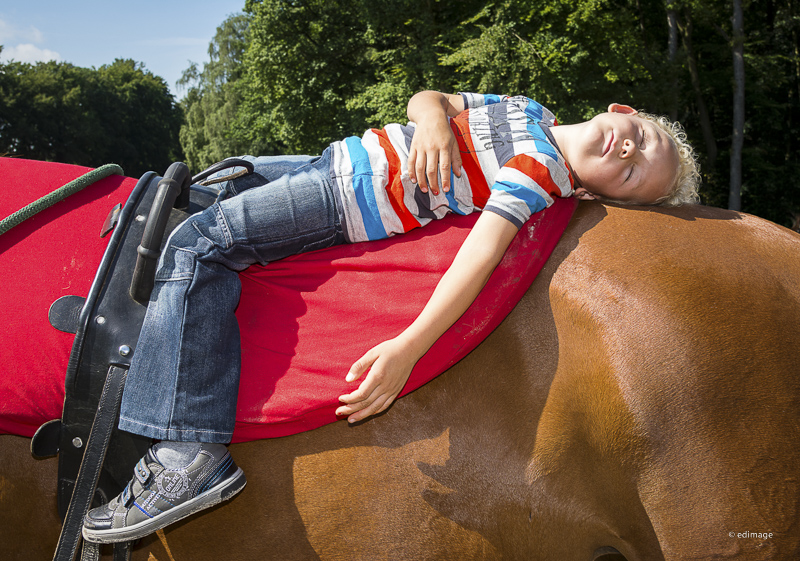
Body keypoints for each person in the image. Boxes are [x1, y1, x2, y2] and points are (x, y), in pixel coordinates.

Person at [81, 90, 700, 543]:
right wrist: (435, 122)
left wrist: (408, 347)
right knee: (213, 180)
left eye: (629, 175)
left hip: (345, 197)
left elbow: (480, 256)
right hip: (336, 158)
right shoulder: (531, 112)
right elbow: (430, 98)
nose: (627, 152)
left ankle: (189, 450)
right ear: (623, 112)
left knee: (198, 242)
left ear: (594, 193)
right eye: (641, 140)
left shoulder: (539, 175)